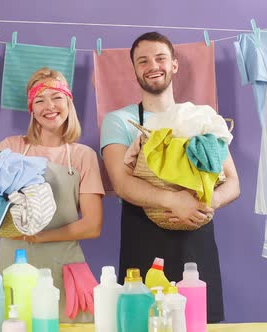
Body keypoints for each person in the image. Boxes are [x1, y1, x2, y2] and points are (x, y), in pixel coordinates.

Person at [100, 32, 240, 323]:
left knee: (198, 324)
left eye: (160, 58)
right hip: (143, 243)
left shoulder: (202, 117)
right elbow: (122, 183)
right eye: (143, 60)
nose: (153, 65)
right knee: (141, 322)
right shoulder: (120, 121)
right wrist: (174, 200)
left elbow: (233, 182)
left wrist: (206, 202)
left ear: (174, 65)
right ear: (135, 69)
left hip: (196, 238)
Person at [0, 67, 105, 323]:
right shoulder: (11, 148)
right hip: (14, 267)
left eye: (56, 97)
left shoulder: (82, 156)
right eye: (40, 100)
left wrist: (40, 237)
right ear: (32, 110)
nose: (49, 106)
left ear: (68, 102)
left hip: (65, 269)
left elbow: (92, 226)